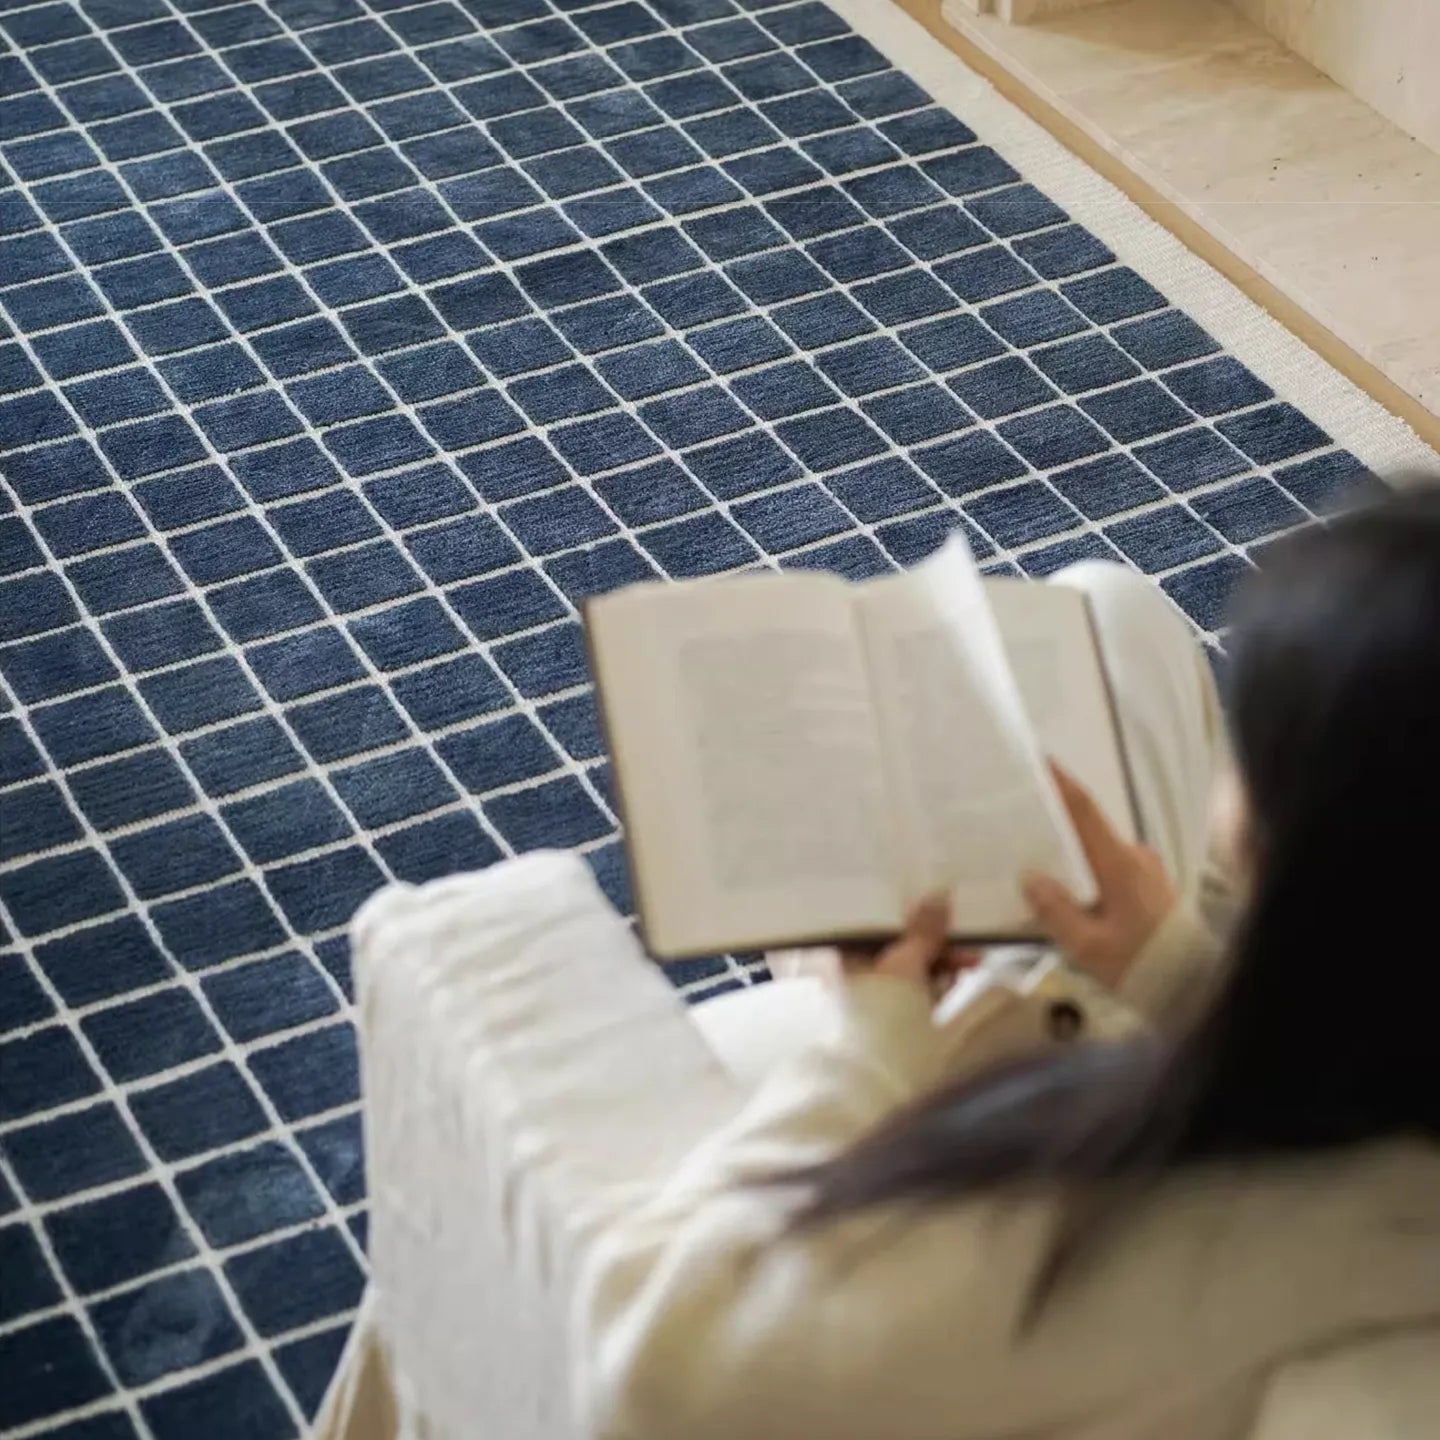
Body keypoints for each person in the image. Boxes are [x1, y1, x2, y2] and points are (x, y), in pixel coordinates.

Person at [573, 492, 1440, 1439]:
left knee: (1074, 670)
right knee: (1108, 606)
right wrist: (1170, 968)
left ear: (1302, 866)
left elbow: (650, 1372)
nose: (1233, 797)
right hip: (1201, 1041)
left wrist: (872, 1041)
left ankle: (829, 942)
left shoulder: (1094, 1251)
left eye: (1258, 772)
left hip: (995, 1084)